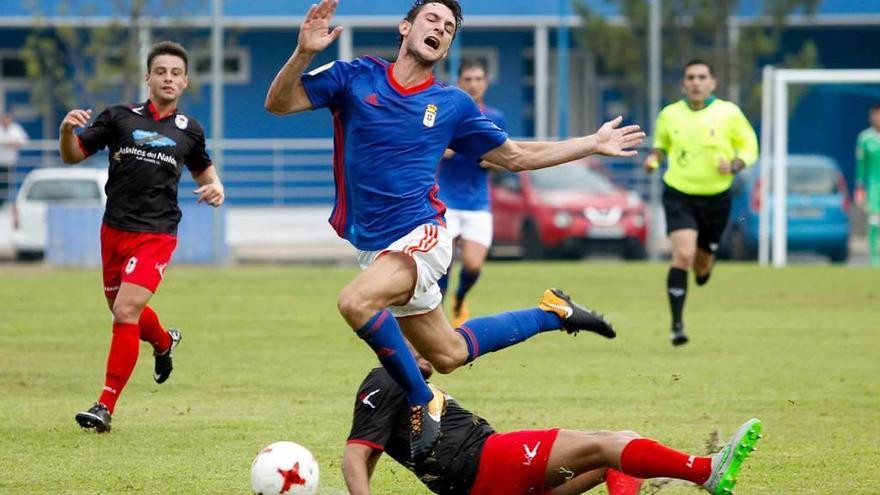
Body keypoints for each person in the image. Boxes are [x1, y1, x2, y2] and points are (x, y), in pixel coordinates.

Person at [265, 0, 643, 461]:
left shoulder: (451, 104)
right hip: (374, 248)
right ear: (405, 28)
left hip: (422, 235)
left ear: (446, 47)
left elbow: (516, 156)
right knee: (448, 354)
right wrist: (303, 52)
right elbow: (278, 103)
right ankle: (554, 312)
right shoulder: (354, 76)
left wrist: (592, 142)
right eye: (432, 20)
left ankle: (426, 401)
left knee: (356, 302)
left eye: (449, 28)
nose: (441, 29)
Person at [59, 41, 225, 432]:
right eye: (161, 71)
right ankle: (164, 342)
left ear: (185, 82)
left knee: (125, 312)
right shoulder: (119, 117)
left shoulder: (190, 131)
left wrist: (217, 189)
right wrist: (67, 131)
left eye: (176, 73)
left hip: (157, 234)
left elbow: (207, 175)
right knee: (122, 310)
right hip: (114, 229)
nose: (168, 78)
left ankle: (104, 405)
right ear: (148, 77)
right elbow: (73, 154)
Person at [343, 348, 763, 495]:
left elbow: (369, 453)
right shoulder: (386, 376)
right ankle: (705, 470)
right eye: (420, 348)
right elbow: (356, 455)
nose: (431, 356)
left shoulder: (405, 384)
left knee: (616, 453)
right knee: (606, 443)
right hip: (486, 463)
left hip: (486, 485)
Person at [642, 60, 758, 346]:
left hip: (717, 198)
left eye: (702, 77)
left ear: (712, 83)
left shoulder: (728, 113)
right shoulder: (670, 114)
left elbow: (749, 146)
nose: (696, 82)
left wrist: (734, 164)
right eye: (690, 77)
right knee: (682, 256)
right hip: (679, 194)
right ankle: (677, 326)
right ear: (683, 84)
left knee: (702, 265)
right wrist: (653, 160)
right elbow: (661, 146)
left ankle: (705, 266)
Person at [436, 59, 508, 327]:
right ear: (459, 82)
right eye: (468, 79)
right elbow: (427, 148)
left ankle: (460, 296)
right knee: (442, 261)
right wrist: (441, 152)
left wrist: (488, 159)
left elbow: (504, 158)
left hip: (478, 202)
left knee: (473, 265)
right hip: (446, 200)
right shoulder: (448, 114)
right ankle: (438, 314)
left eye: (478, 79)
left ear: (486, 83)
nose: (473, 84)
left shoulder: (495, 118)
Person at [855, 103, 880, 268]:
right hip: (874, 187)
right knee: (874, 222)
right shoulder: (865, 138)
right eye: (875, 115)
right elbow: (861, 167)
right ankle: (875, 262)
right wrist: (859, 189)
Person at [0, 113, 29, 205]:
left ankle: (3, 203)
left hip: (10, 162)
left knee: (6, 184)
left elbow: (24, 140)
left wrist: (14, 143)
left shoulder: (15, 128)